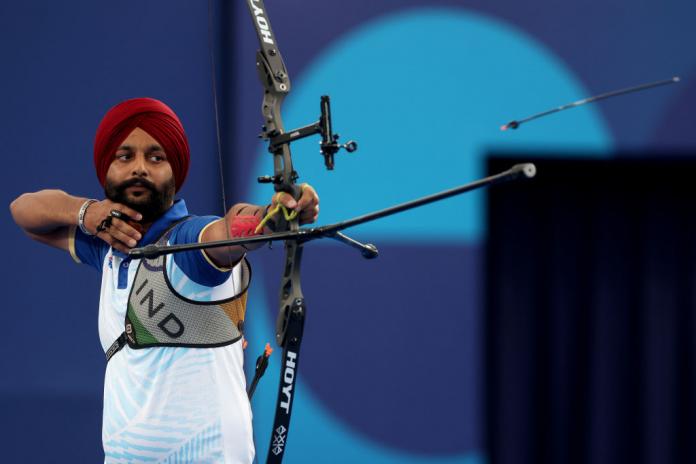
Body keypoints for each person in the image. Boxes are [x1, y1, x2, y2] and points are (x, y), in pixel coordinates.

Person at [9, 97, 319, 463]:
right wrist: (87, 212)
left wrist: (272, 216)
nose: (139, 168)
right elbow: (24, 211)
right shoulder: (108, 247)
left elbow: (227, 231)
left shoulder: (187, 243)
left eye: (156, 158)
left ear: (175, 171)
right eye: (124, 156)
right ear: (105, 167)